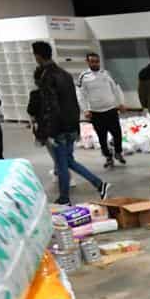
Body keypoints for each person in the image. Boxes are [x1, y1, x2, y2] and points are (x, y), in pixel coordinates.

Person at [30, 41, 110, 205]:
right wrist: (75, 126)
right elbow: (73, 102)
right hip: (71, 124)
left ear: (37, 56)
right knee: (68, 161)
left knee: (62, 164)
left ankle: (65, 198)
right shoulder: (64, 74)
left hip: (58, 127)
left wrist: (49, 131)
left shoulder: (47, 77)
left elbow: (51, 106)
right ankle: (99, 184)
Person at [77, 52, 126, 168]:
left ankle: (118, 153)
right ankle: (108, 157)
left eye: (97, 61)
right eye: (92, 61)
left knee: (117, 134)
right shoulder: (83, 76)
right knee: (102, 137)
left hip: (111, 110)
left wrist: (121, 103)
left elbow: (116, 89)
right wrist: (85, 110)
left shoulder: (106, 74)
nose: (95, 63)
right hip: (96, 112)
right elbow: (80, 95)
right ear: (88, 62)